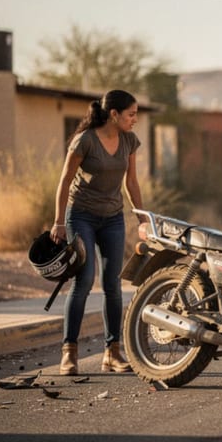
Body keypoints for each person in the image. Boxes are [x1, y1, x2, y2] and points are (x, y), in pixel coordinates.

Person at [50, 89, 149, 376]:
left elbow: (131, 181)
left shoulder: (129, 140)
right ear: (114, 114)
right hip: (80, 215)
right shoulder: (85, 140)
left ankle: (112, 353)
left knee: (113, 286)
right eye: (131, 115)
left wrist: (142, 217)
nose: (135, 120)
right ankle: (69, 353)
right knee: (83, 282)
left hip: (113, 218)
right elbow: (65, 181)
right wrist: (58, 221)